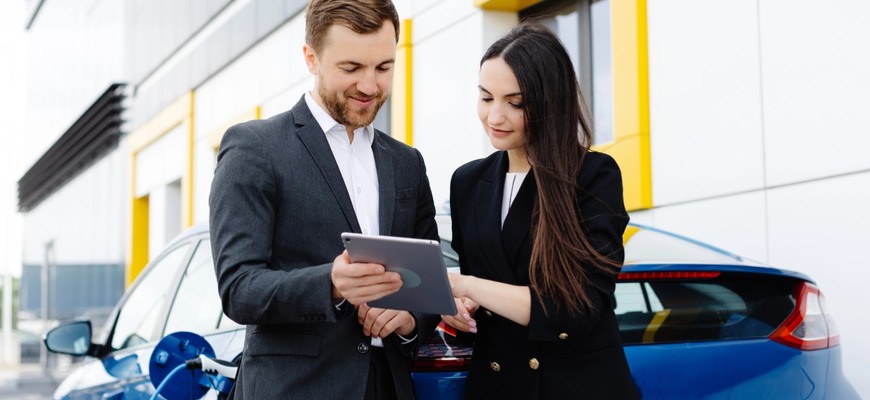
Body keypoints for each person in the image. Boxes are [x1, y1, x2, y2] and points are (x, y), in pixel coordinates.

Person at [209, 1, 440, 398]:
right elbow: (239, 288)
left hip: (388, 387)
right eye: (351, 68)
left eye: (384, 67)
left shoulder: (407, 163)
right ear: (310, 58)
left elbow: (429, 288)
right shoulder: (254, 148)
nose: (369, 86)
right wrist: (330, 283)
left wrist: (408, 319)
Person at [442, 23, 642, 399]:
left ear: (550, 103)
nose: (495, 117)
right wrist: (455, 304)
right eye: (486, 98)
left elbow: (576, 307)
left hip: (576, 387)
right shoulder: (467, 182)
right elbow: (480, 287)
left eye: (515, 103)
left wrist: (469, 286)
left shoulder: (592, 176)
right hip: (497, 386)